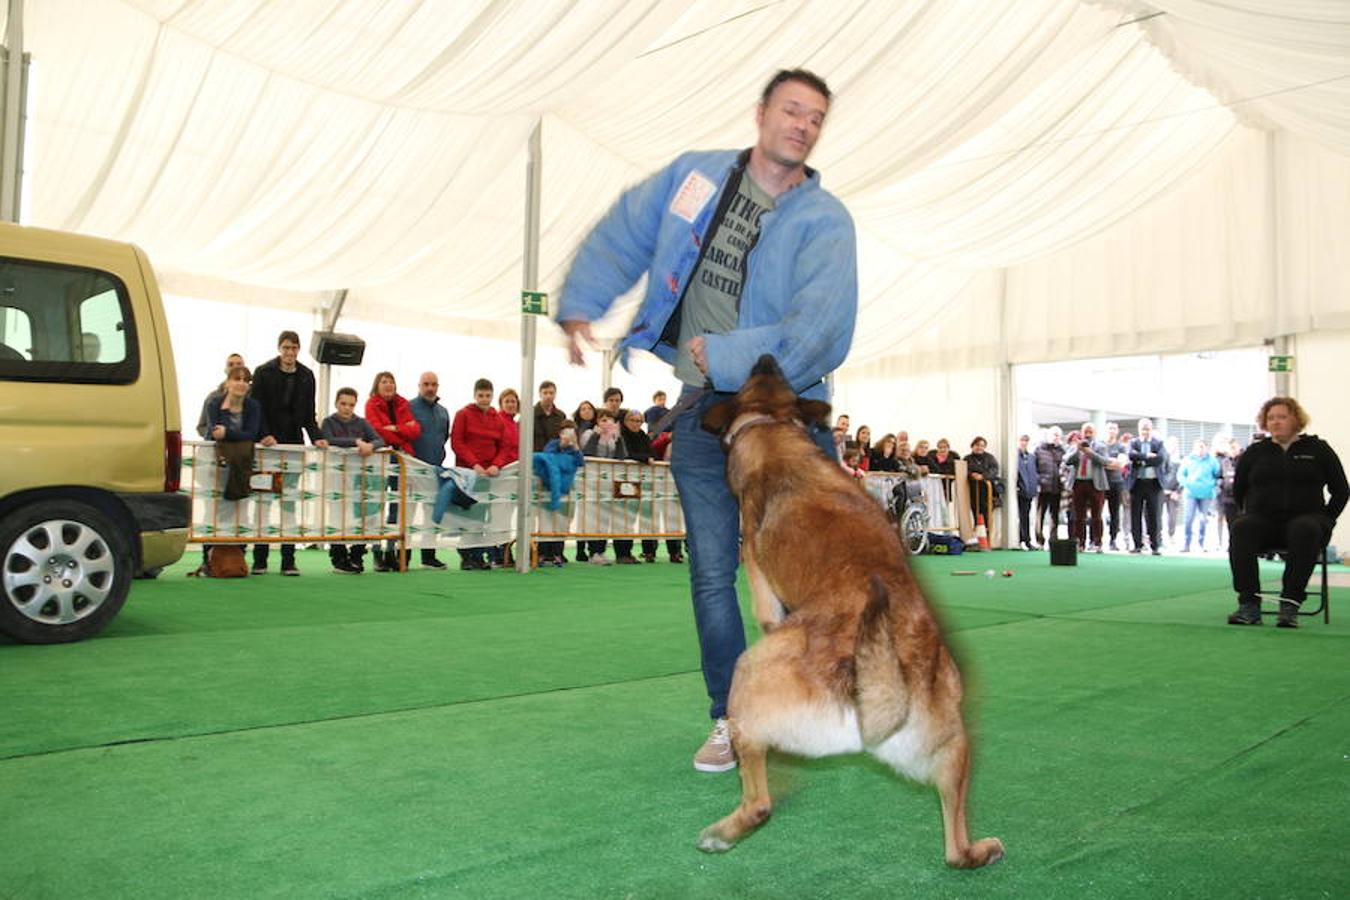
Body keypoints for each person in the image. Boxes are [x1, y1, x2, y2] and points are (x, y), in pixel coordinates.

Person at [556, 68, 856, 772]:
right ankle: (732, 718)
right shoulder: (695, 180)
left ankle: (814, 702)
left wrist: (726, 351)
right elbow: (626, 233)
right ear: (761, 114)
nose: (802, 125)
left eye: (815, 118)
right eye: (791, 110)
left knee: (804, 575)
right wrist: (583, 300)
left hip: (787, 419)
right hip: (700, 413)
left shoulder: (825, 221)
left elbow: (823, 328)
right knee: (711, 574)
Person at [1226, 397, 1347, 628]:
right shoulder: (1255, 452)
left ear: (1296, 420)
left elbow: (1341, 490)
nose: (1275, 422)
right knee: (1241, 528)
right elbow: (1239, 489)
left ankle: (1289, 605)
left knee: (1305, 528)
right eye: (1271, 418)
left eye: (1282, 417)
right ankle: (1249, 606)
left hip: (1306, 520)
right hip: (1265, 522)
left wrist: (1327, 519)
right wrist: (1246, 514)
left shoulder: (1318, 450)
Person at [249, 331, 328, 576]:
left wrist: (317, 437)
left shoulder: (307, 376)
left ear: (299, 350)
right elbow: (255, 409)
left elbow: (308, 415)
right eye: (286, 347)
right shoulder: (262, 372)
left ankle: (288, 560)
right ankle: (259, 560)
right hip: (267, 449)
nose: (290, 353)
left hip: (294, 447)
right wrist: (263, 435)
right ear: (278, 348)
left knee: (289, 504)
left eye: (294, 348)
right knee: (262, 502)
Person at [321, 387, 384, 573]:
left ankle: (357, 556)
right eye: (343, 404)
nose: (347, 408)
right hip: (336, 477)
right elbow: (328, 439)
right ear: (336, 403)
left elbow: (380, 440)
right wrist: (356, 442)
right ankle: (339, 558)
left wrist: (370, 445)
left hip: (358, 479)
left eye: (351, 405)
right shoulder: (328, 422)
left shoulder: (362, 422)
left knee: (362, 517)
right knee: (336, 517)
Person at [364, 372, 422, 572]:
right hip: (380, 459)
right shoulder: (371, 404)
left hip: (401, 460)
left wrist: (394, 429)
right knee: (376, 504)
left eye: (391, 382)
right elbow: (377, 431)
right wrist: (401, 431)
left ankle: (391, 550)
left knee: (397, 507)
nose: (388, 385)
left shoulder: (403, 404)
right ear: (377, 385)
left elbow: (415, 431)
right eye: (384, 382)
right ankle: (376, 552)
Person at [193, 351, 245, 573]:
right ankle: (208, 558)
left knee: (240, 509)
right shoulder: (212, 398)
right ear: (226, 370)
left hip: (240, 461)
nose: (235, 367)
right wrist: (216, 437)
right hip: (214, 460)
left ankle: (239, 559)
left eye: (239, 365)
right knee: (211, 508)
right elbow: (202, 426)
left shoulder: (250, 402)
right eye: (231, 364)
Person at [451, 378, 511, 570]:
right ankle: (466, 555)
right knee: (469, 515)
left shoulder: (497, 419)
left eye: (487, 396)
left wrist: (497, 464)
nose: (484, 399)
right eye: (481, 395)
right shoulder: (463, 414)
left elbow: (504, 446)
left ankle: (479, 555)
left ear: (492, 396)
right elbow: (457, 443)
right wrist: (474, 464)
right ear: (474, 395)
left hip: (489, 476)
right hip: (467, 474)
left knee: (484, 515)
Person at [408, 372, 450, 569]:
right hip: (411, 470)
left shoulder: (443, 412)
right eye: (426, 384)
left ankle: (428, 556)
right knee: (404, 514)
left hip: (435, 470)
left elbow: (444, 438)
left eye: (433, 384)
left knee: (432, 514)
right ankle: (401, 556)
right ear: (419, 385)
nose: (430, 388)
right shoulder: (408, 408)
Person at [533, 380, 568, 566]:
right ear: (540, 393)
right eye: (545, 392)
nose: (548, 395)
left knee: (556, 510)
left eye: (551, 392)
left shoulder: (560, 415)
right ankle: (538, 551)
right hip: (537, 467)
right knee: (539, 511)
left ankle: (556, 552)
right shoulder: (530, 414)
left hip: (556, 468)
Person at [614, 408, 652, 564]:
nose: (636, 424)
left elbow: (652, 453)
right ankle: (621, 553)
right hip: (622, 480)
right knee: (621, 516)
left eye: (639, 421)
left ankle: (627, 552)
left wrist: (646, 458)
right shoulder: (621, 435)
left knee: (631, 517)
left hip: (638, 482)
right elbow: (626, 454)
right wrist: (644, 459)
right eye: (633, 420)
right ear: (626, 421)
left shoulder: (643, 436)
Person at [1127, 418, 1167, 555]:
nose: (1145, 431)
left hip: (1153, 484)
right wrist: (1147, 456)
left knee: (1154, 516)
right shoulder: (1133, 442)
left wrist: (1142, 461)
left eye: (1147, 428)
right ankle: (1137, 545)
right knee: (1135, 515)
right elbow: (1131, 455)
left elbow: (1160, 459)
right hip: (1137, 483)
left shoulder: (1158, 443)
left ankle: (1155, 546)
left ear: (1151, 429)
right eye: (1143, 428)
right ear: (1139, 429)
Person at [1178, 439, 1220, 552]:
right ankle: (1186, 544)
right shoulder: (1188, 460)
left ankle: (1201, 543)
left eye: (1202, 447)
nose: (1200, 449)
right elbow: (1181, 474)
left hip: (1206, 493)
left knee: (1203, 519)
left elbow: (1217, 475)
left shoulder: (1212, 461)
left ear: (1206, 448)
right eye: (1198, 447)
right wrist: (1186, 484)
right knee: (1188, 519)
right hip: (1190, 493)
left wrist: (1212, 485)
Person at [1035, 427, 1065, 545]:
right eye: (1054, 435)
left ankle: (1053, 539)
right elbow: (1034, 469)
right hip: (1043, 488)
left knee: (1055, 514)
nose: (1056, 437)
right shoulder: (1039, 450)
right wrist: (1039, 481)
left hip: (1057, 487)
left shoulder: (1062, 451)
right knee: (1040, 514)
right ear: (1048, 436)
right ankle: (1039, 539)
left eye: (1058, 435)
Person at [1102, 422, 1128, 551]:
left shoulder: (1121, 447)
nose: (1111, 431)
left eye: (1114, 429)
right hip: (1100, 482)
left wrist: (1105, 463)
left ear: (1117, 431)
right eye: (1109, 429)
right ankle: (1095, 540)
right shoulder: (1100, 445)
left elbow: (1121, 464)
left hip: (1116, 482)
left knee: (1115, 513)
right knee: (1096, 513)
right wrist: (1112, 462)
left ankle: (1112, 540)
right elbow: (1096, 462)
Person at [1216, 437, 1243, 550]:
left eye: (1234, 448)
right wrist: (1221, 483)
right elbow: (1218, 477)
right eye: (1230, 448)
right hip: (1227, 498)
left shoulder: (1243, 460)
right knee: (1230, 522)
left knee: (1241, 523)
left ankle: (1241, 544)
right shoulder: (1224, 462)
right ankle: (1232, 544)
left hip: (1241, 498)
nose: (1232, 450)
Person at [965, 436, 999, 526]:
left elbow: (994, 470)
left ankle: (987, 537)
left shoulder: (990, 458)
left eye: (982, 445)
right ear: (972, 446)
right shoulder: (967, 458)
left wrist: (983, 476)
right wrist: (971, 475)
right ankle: (977, 536)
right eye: (977, 445)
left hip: (986, 490)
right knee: (975, 513)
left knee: (987, 514)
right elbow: (964, 470)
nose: (979, 447)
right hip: (972, 490)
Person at [1015, 433, 1039, 550]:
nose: (1024, 443)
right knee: (1020, 516)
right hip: (1018, 491)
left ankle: (1027, 540)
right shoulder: (1014, 456)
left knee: (1026, 516)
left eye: (1026, 441)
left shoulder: (1031, 457)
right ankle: (1020, 540)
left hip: (1028, 492)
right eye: (1022, 440)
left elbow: (1034, 474)